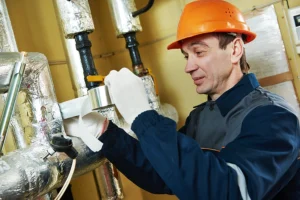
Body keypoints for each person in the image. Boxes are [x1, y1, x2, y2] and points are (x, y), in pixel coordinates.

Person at [65, 0, 300, 199]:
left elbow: (228, 191)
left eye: (199, 52)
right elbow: (164, 172)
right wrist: (105, 132)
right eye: (186, 56)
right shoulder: (201, 116)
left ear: (235, 49)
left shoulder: (273, 117)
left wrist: (143, 117)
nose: (188, 66)